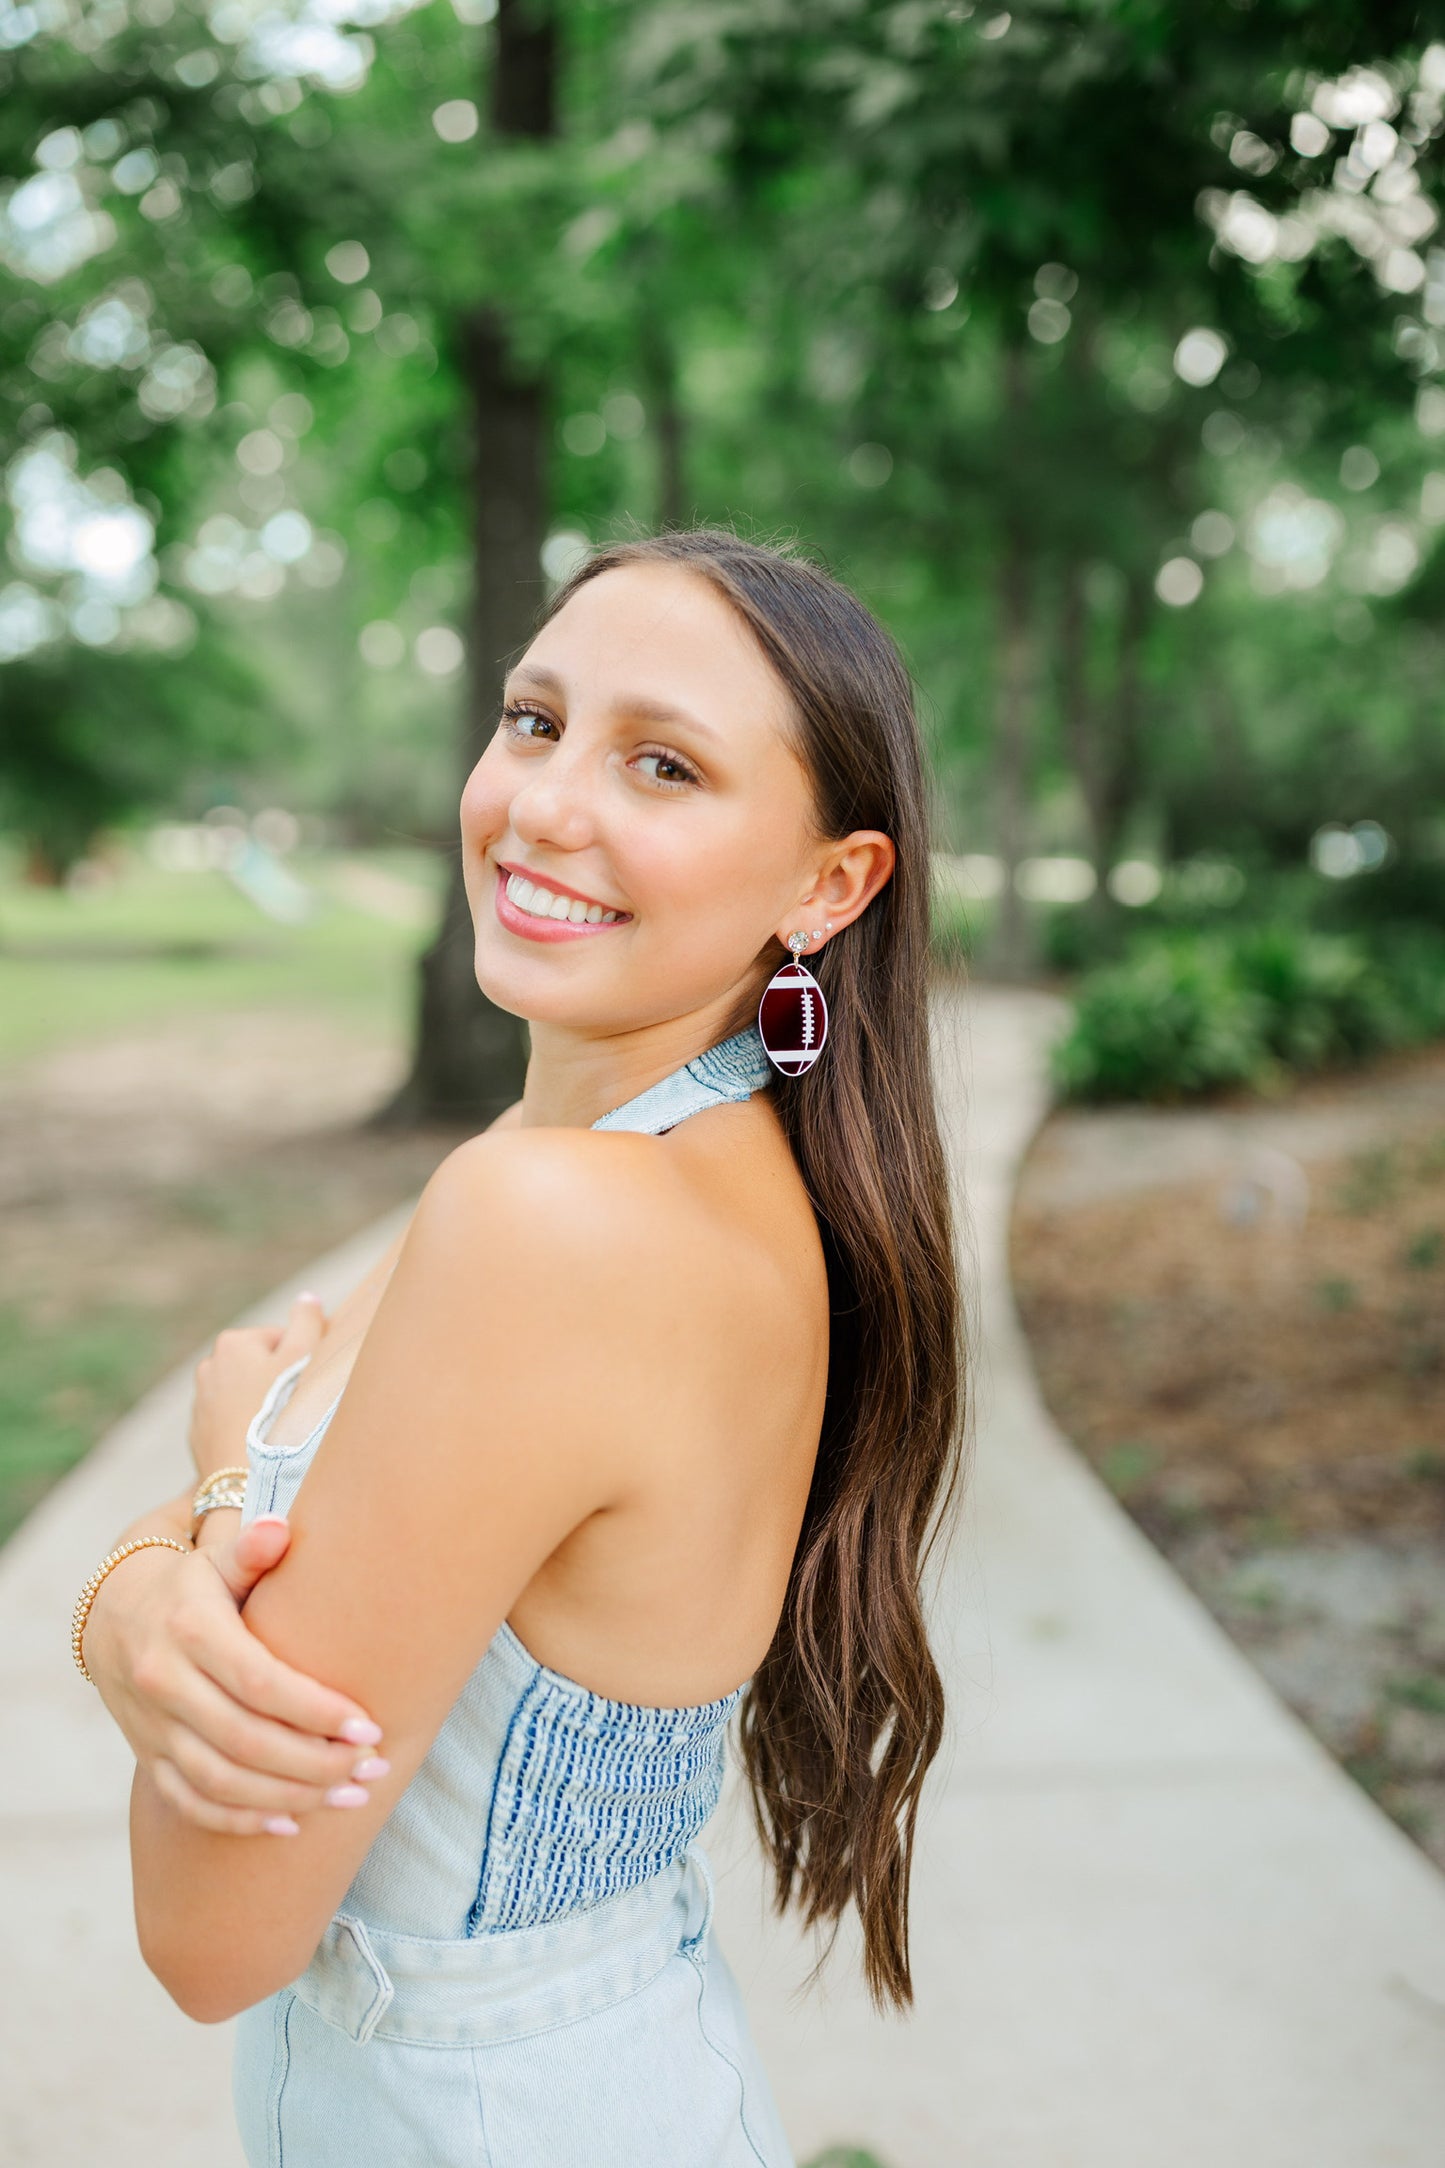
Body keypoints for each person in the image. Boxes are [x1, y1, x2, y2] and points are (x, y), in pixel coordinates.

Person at [75, 525, 968, 2167]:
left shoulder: (553, 1219)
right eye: (534, 720)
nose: (545, 805)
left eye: (662, 765)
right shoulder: (653, 1161)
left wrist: (189, 1521)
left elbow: (209, 1933)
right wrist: (141, 1589)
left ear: (828, 885)